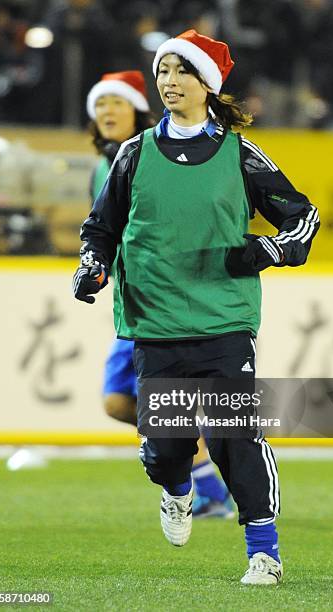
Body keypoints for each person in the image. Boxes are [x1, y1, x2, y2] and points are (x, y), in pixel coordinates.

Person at [73, 29, 320, 585]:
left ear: (207, 83)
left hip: (224, 321)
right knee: (165, 453)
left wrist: (269, 249)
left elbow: (302, 216)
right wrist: (91, 265)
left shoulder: (239, 154)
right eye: (163, 72)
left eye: (182, 72)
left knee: (237, 433)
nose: (169, 82)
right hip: (155, 324)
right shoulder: (134, 154)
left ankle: (264, 551)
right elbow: (100, 228)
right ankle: (178, 490)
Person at [87, 68, 233, 518]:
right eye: (100, 104)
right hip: (134, 303)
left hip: (168, 301)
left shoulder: (160, 154)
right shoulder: (103, 164)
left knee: (155, 404)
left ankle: (208, 485)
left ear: (138, 109)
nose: (107, 111)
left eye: (117, 102)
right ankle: (204, 475)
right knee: (121, 403)